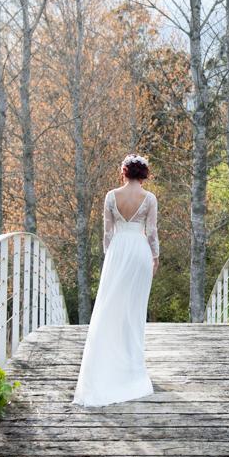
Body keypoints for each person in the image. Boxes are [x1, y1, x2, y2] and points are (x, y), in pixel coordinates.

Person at [73, 153, 159, 407]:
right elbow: (151, 232)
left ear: (124, 172)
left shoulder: (111, 196)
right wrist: (155, 256)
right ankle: (132, 367)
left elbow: (107, 233)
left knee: (111, 308)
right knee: (134, 311)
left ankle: (111, 365)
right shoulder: (149, 198)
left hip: (119, 251)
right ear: (143, 174)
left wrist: (111, 258)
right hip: (140, 252)